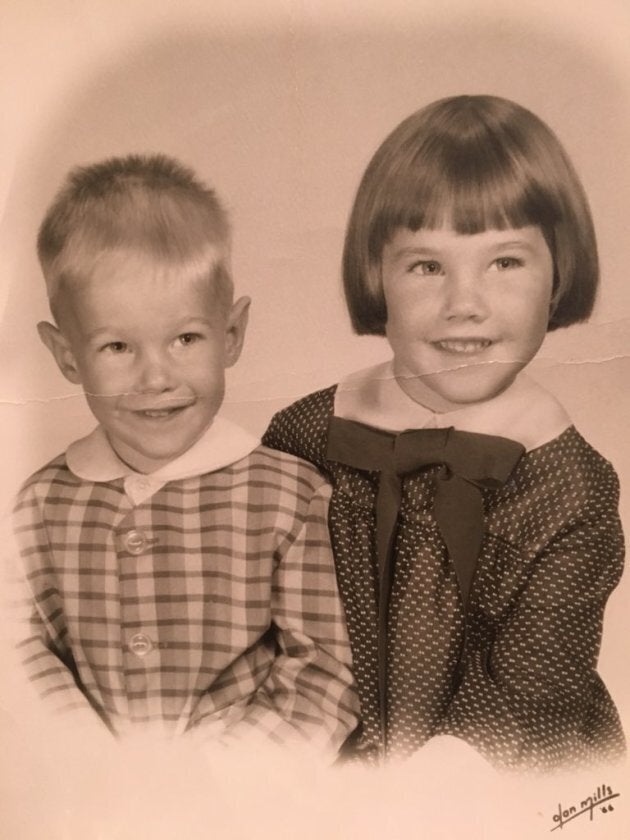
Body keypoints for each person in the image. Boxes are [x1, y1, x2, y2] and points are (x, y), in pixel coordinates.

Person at [262, 94, 626, 772]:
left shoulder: (570, 487)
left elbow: (532, 692)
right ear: (378, 274)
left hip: (503, 765)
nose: (465, 304)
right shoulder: (309, 434)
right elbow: (261, 616)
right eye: (428, 266)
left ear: (559, 275)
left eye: (506, 262)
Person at [11, 153, 358, 755]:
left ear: (231, 335)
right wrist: (83, 762)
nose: (156, 378)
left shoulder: (289, 496)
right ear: (67, 355)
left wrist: (215, 786)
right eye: (117, 345)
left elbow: (325, 668)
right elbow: (17, 652)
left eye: (185, 339)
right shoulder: (39, 504)